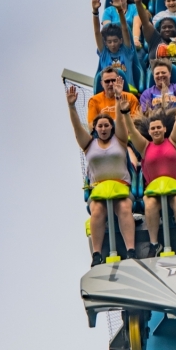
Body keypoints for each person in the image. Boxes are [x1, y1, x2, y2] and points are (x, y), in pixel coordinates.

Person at [66, 84, 137, 265]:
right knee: (96, 211)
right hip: (99, 189)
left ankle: (131, 249)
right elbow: (76, 129)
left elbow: (121, 122)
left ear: (111, 127)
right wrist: (72, 107)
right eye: (100, 126)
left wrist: (120, 100)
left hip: (120, 185)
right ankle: (96, 254)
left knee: (124, 208)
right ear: (95, 128)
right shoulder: (89, 144)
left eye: (106, 125)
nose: (104, 128)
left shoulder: (119, 140)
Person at [122, 89, 176, 257]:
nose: (156, 130)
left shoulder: (174, 141)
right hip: (153, 190)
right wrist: (125, 113)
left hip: (175, 187)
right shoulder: (145, 147)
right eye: (153, 128)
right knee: (150, 203)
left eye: (159, 127)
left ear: (164, 128)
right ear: (150, 131)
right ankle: (154, 244)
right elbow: (131, 129)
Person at [92, 0, 141, 91]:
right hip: (109, 92)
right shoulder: (104, 54)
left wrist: (120, 10)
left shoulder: (126, 51)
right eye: (109, 42)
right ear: (105, 43)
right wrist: (95, 12)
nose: (113, 44)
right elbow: (97, 32)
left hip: (127, 91)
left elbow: (125, 29)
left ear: (121, 41)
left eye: (115, 41)